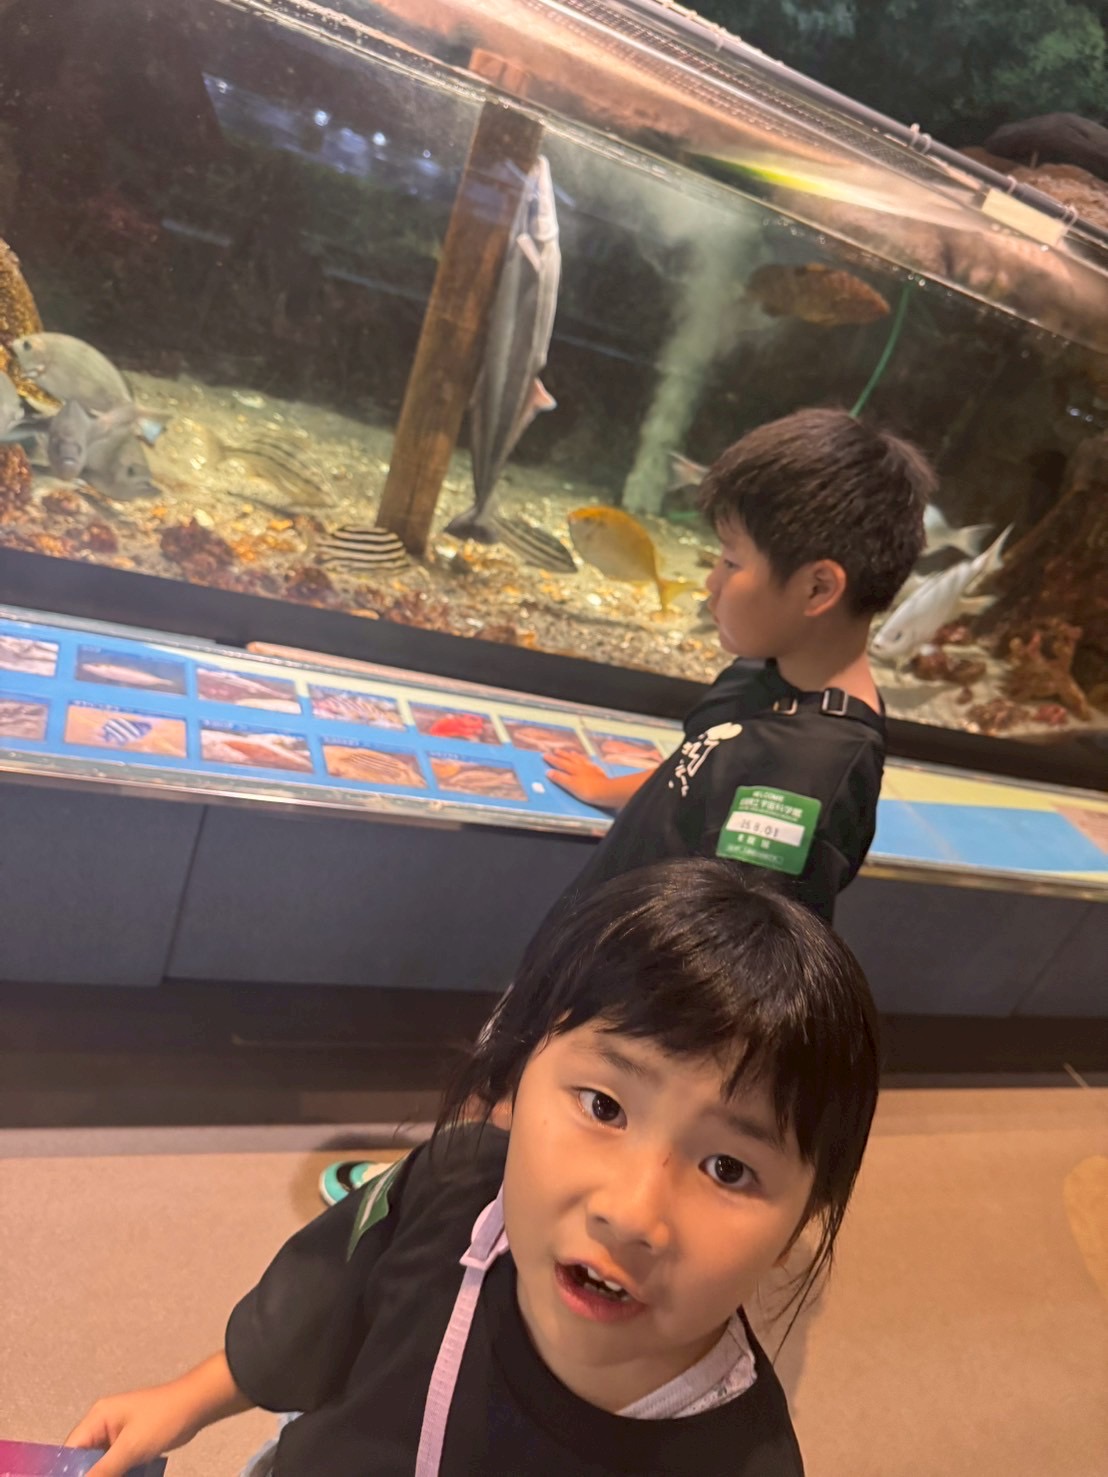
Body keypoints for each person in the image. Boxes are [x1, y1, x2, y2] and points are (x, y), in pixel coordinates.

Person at [67, 859, 880, 1477]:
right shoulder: (455, 1181)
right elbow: (323, 1304)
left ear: (799, 1225)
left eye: (728, 1167)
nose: (632, 1211)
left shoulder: (744, 1460)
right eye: (604, 1106)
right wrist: (186, 1398)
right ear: (515, 1082)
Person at [546, 407, 934, 924]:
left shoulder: (806, 779)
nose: (711, 582)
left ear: (817, 588)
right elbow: (697, 770)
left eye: (731, 561)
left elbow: (732, 949)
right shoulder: (764, 670)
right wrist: (610, 788)